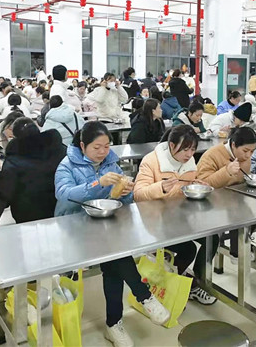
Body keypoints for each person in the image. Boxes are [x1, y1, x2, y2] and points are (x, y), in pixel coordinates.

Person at [54, 122, 170, 346]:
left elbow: (121, 201)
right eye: (97, 147)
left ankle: (114, 323)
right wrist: (97, 183)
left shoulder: (111, 163)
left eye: (107, 146)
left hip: (106, 225)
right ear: (82, 146)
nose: (103, 152)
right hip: (75, 228)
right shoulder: (67, 165)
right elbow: (64, 195)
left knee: (114, 261)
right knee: (116, 257)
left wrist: (125, 192)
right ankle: (142, 297)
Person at [133, 125, 218, 304]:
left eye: (193, 149)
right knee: (188, 249)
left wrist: (195, 184)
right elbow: (138, 194)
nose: (189, 154)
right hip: (156, 221)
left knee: (212, 238)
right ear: (172, 145)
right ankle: (179, 285)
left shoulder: (189, 163)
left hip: (181, 217)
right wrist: (161, 187)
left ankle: (194, 282)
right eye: (185, 149)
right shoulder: (152, 161)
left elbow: (184, 188)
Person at [197, 127, 256, 260]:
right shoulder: (212, 155)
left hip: (235, 199)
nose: (248, 155)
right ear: (233, 144)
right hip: (212, 203)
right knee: (239, 213)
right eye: (245, 151)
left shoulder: (245, 157)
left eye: (252, 151)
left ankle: (242, 243)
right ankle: (237, 250)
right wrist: (227, 172)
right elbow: (202, 184)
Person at [0, 117, 66, 225]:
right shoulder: (60, 149)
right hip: (59, 208)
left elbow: (5, 193)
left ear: (15, 136)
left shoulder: (14, 159)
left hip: (26, 214)